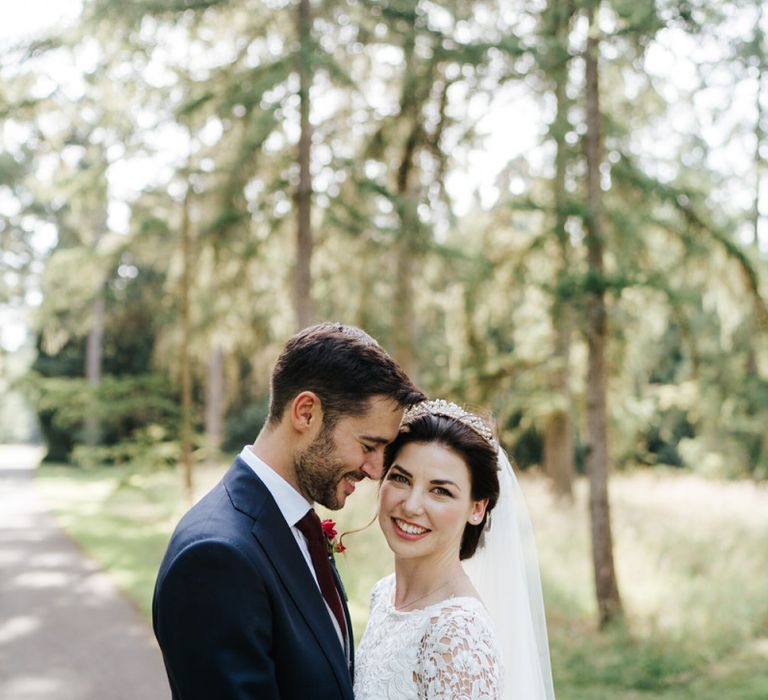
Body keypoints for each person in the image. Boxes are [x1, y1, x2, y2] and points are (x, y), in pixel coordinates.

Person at [152, 322, 424, 700]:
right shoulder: (216, 557)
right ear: (306, 413)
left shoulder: (294, 526)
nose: (376, 470)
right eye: (368, 445)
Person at [354, 399, 556, 700]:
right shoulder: (385, 594)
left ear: (477, 508)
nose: (411, 506)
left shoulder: (458, 634)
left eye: (440, 491)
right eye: (400, 478)